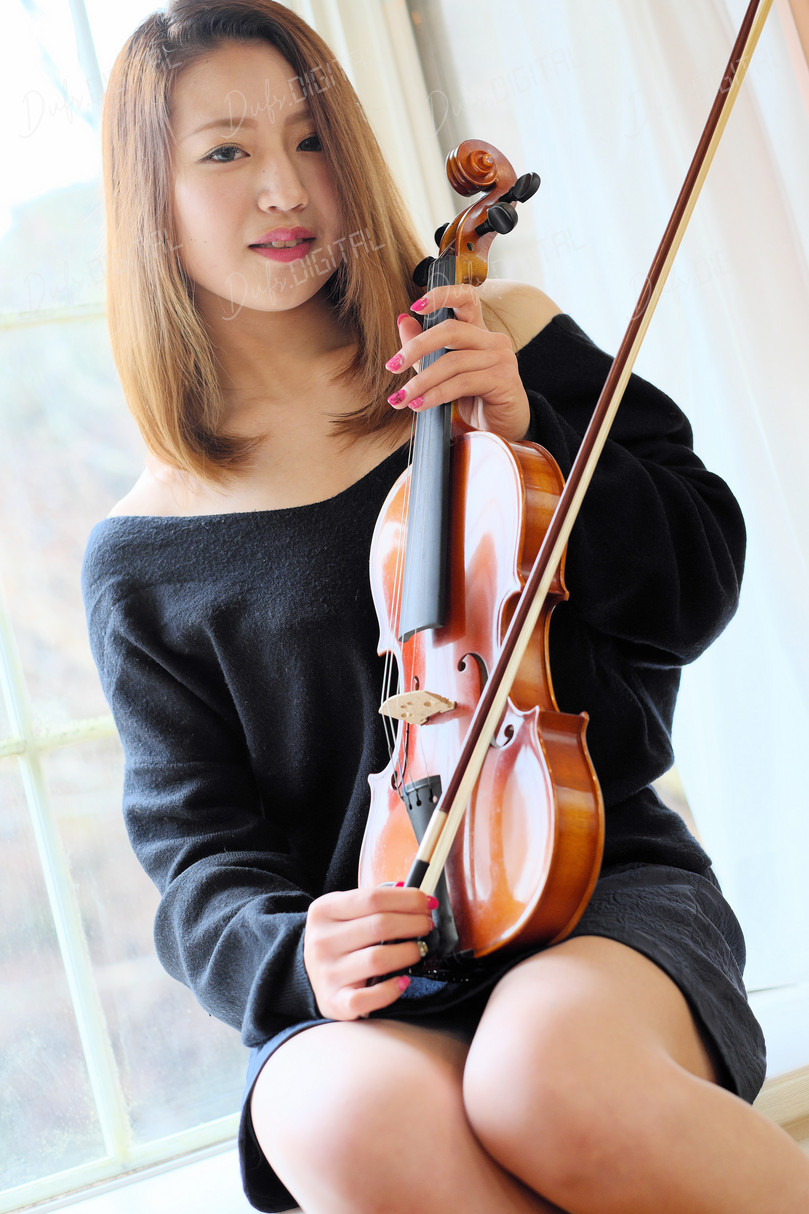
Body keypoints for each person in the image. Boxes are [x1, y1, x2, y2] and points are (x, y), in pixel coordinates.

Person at [82, 2, 809, 1211]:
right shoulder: (144, 550)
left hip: (593, 888)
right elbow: (197, 850)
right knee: (348, 1119)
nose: (284, 189)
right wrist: (293, 947)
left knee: (545, 1075)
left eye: (311, 139)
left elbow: (699, 579)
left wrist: (534, 428)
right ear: (149, 202)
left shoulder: (496, 340)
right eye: (225, 152)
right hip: (366, 968)